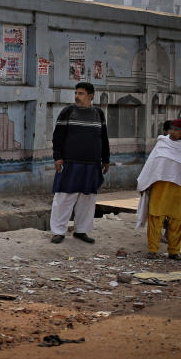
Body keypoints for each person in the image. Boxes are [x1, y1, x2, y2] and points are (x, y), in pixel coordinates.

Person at [49, 81, 110, 244]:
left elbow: (103, 138)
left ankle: (81, 231)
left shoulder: (98, 113)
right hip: (70, 163)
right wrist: (57, 157)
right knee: (64, 196)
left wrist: (106, 159)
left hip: (92, 164)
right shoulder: (67, 112)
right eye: (76, 93)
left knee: (88, 198)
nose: (77, 96)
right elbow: (58, 136)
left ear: (90, 95)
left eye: (81, 93)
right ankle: (58, 231)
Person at [135, 119, 181, 260]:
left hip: (179, 191)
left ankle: (174, 251)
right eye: (171, 129)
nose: (172, 132)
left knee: (177, 221)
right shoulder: (162, 143)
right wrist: (145, 183)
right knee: (155, 218)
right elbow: (151, 165)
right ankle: (152, 250)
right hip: (159, 188)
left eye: (176, 130)